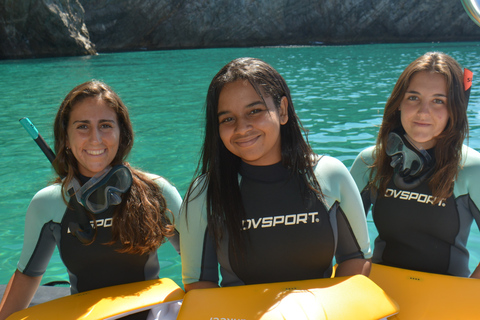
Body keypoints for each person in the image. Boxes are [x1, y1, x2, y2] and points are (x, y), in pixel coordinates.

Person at [178, 57, 372, 291]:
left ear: (282, 110)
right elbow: (199, 283)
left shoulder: (330, 175)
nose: (241, 128)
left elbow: (356, 259)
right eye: (228, 119)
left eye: (255, 111)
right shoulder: (205, 193)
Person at [0, 81, 182, 319]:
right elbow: (28, 275)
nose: (95, 138)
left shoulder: (157, 192)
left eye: (105, 125)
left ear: (122, 134)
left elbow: (200, 267)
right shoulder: (47, 204)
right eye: (82, 126)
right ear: (65, 137)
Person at [350, 51, 480, 278]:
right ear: (398, 103)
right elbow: (342, 244)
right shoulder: (369, 162)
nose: (423, 111)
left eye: (438, 101)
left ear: (454, 110)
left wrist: (465, 300)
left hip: (448, 300)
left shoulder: (471, 168)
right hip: (381, 299)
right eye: (413, 97)